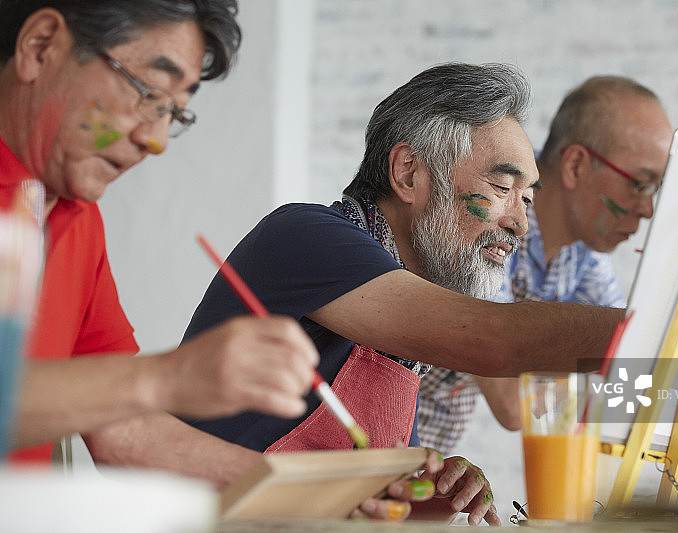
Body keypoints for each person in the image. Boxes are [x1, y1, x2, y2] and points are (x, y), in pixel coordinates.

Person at [182, 62, 678, 523]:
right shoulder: (309, 237)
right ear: (408, 173)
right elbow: (497, 348)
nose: (518, 225)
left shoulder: (561, 274)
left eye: (526, 199)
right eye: (501, 190)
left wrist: (411, 488)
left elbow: (603, 405)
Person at [0, 2, 467, 522]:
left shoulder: (75, 219)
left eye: (173, 113)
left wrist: (334, 494)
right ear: (41, 45)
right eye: (148, 93)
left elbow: (126, 433)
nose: (154, 140)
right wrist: (168, 377)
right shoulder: (308, 233)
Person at [416, 75, 673, 453]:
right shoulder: (487, 221)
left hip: (426, 462)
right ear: (576, 167)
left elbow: (628, 372)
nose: (648, 209)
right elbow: (512, 403)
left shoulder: (581, 254)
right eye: (640, 183)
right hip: (364, 451)